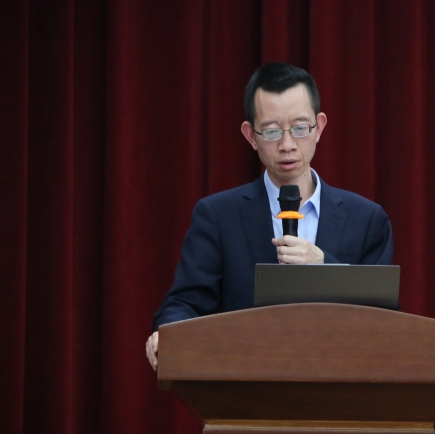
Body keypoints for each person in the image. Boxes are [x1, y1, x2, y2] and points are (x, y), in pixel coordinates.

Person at [145, 62, 393, 370]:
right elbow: (185, 304)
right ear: (251, 136)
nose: (287, 145)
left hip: (341, 384)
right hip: (245, 383)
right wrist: (167, 334)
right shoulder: (219, 216)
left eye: (300, 129)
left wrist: (324, 267)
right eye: (273, 132)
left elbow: (384, 321)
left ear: (319, 127)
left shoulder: (366, 219)